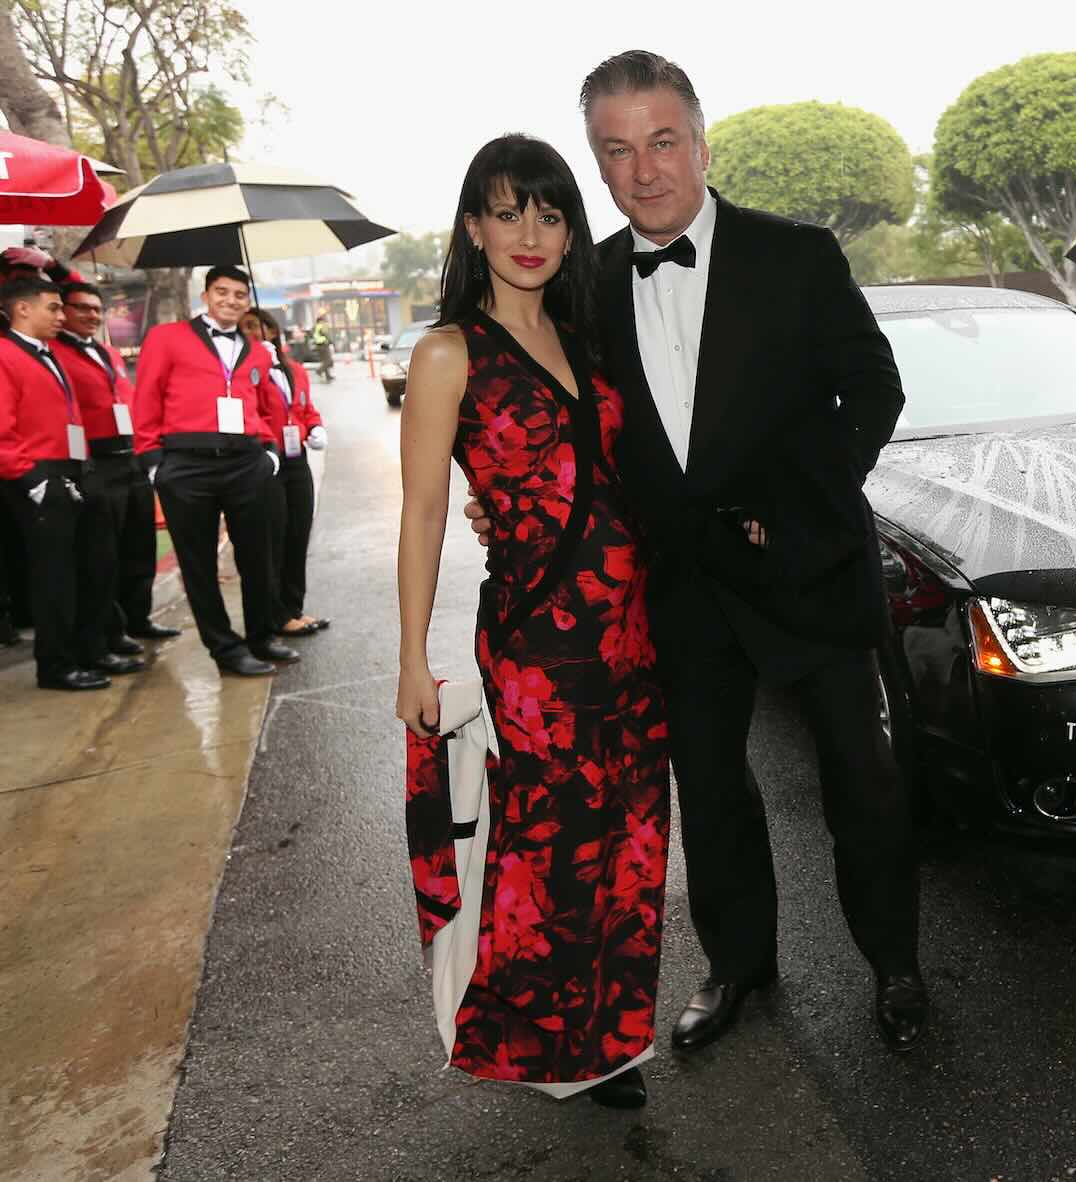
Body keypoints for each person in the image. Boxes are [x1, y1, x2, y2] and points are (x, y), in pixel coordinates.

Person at [469, 50, 927, 1054]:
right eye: (618, 151)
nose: (645, 171)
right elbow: (564, 430)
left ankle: (894, 964)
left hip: (808, 572)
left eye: (663, 142)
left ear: (701, 143)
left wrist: (802, 512)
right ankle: (737, 969)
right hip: (675, 589)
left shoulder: (796, 257)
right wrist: (509, 503)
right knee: (712, 794)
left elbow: (875, 389)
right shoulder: (580, 284)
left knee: (864, 781)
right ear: (597, 163)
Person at [395, 134, 669, 1109]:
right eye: (507, 212)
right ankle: (550, 1043)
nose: (529, 233)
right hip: (536, 641)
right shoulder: (445, 352)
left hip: (637, 636)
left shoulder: (592, 338)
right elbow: (426, 509)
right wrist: (411, 659)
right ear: (472, 225)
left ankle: (614, 1037)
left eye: (549, 214)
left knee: (632, 840)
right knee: (553, 845)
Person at [132, 265, 299, 677]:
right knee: (198, 562)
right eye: (221, 292)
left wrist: (269, 451)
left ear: (248, 301)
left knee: (258, 556)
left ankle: (261, 636)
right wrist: (153, 461)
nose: (230, 300)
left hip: (246, 461)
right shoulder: (166, 338)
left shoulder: (257, 349)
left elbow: (264, 407)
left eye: (240, 294)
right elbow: (147, 395)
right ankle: (225, 648)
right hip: (186, 463)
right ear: (205, 296)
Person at [0, 273, 139, 689]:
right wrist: (32, 480)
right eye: (54, 307)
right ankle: (56, 665)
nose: (63, 315)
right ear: (23, 309)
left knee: (96, 565)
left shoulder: (48, 353)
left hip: (79, 469)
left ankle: (93, 649)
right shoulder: (5, 355)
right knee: (55, 577)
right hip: (40, 476)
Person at [55, 281, 176, 649]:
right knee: (102, 555)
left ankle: (138, 619)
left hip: (132, 457)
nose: (91, 315)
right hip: (96, 461)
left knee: (139, 547)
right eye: (81, 308)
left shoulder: (110, 353)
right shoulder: (55, 354)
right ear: (63, 312)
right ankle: (110, 631)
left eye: (96, 308)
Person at [241, 307, 329, 638]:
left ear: (273, 331)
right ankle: (275, 614)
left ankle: (293, 608)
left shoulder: (294, 370)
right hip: (268, 462)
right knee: (273, 540)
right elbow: (251, 411)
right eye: (245, 328)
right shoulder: (247, 373)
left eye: (257, 326)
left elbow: (304, 408)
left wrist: (315, 426)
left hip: (297, 459)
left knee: (298, 534)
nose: (252, 332)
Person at [310, 315, 334, 383]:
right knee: (328, 360)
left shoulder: (314, 327)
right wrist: (331, 341)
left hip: (318, 345)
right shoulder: (322, 326)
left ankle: (328, 376)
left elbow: (312, 335)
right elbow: (326, 334)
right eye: (323, 320)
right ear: (320, 321)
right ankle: (319, 371)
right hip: (324, 345)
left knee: (324, 361)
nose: (324, 321)